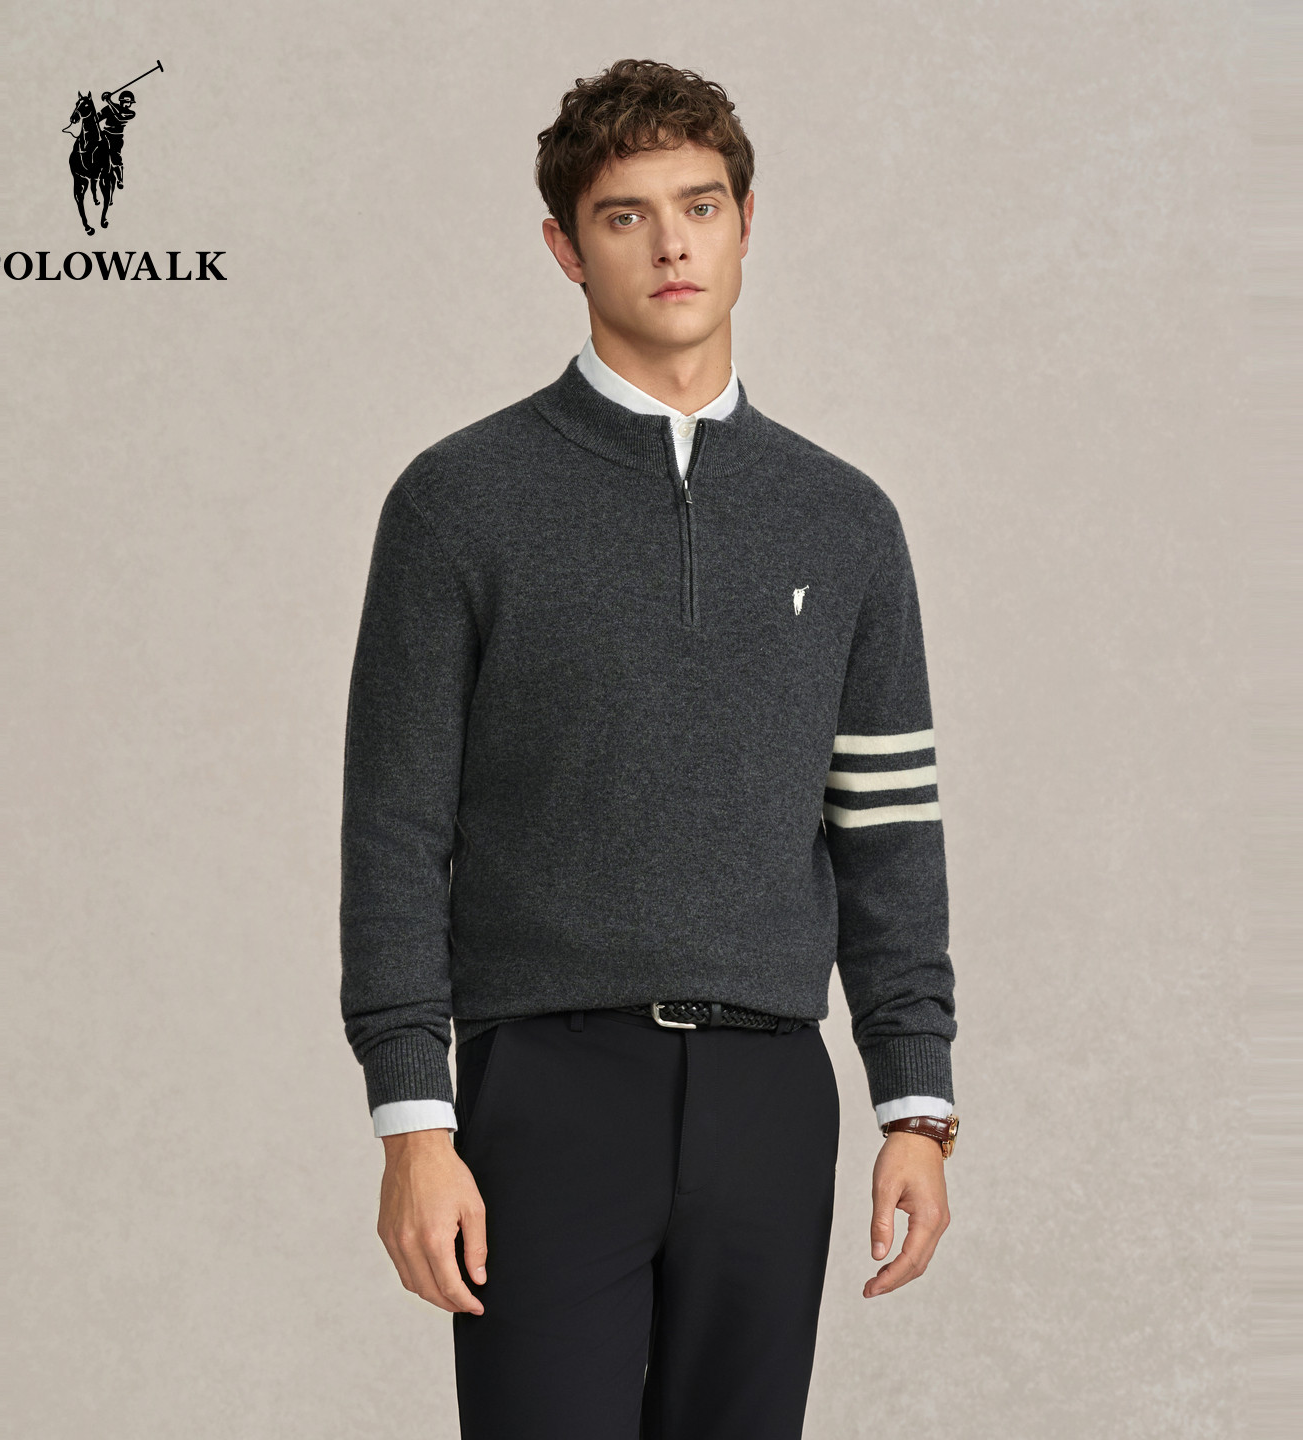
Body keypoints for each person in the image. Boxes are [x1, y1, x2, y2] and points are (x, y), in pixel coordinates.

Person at [340, 57, 960, 1440]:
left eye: (701, 205)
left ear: (746, 223)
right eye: (625, 215)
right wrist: (412, 1121)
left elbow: (886, 826)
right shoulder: (457, 503)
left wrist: (917, 1104)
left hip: (771, 1093)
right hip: (545, 1090)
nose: (673, 244)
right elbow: (394, 829)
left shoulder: (844, 519)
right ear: (565, 247)